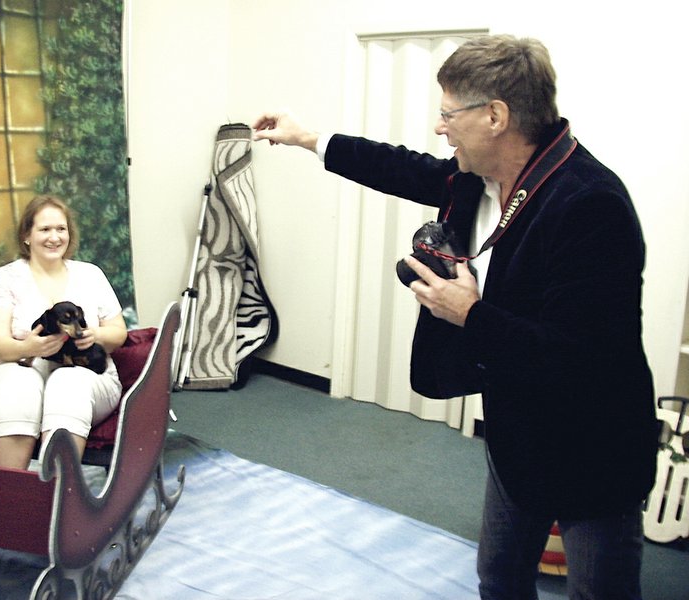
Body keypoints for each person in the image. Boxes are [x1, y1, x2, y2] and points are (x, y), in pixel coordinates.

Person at [252, 34, 658, 600]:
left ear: (495, 115)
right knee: (500, 577)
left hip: (593, 442)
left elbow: (579, 357)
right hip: (518, 427)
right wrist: (308, 138)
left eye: (447, 114)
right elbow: (400, 167)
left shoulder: (589, 204)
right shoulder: (478, 178)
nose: (439, 128)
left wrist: (470, 313)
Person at [0, 194, 128, 470]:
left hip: (87, 376)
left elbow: (118, 333)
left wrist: (95, 335)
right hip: (14, 369)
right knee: (19, 388)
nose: (54, 237)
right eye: (44, 229)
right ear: (26, 235)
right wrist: (27, 349)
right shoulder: (3, 279)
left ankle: (59, 498)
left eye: (61, 229)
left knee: (67, 383)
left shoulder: (90, 275)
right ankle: (13, 496)